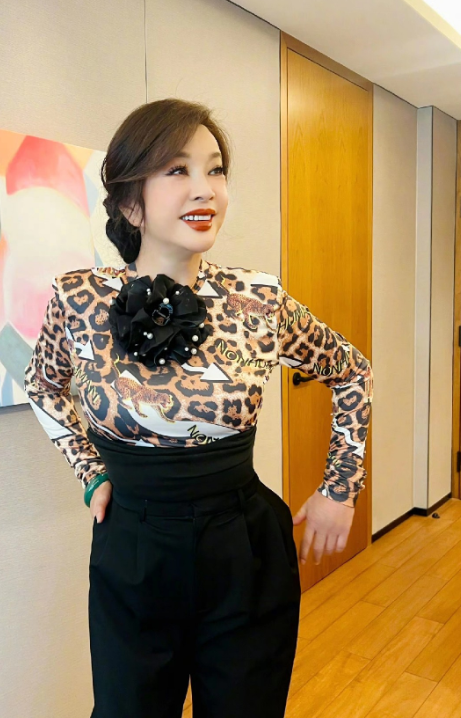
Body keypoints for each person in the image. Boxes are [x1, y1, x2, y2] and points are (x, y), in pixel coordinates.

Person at [23, 98, 373, 718]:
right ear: (131, 203)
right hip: (132, 546)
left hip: (244, 548)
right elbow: (43, 386)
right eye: (178, 170)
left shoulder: (258, 299)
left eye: (215, 170)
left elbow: (351, 371)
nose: (205, 188)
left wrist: (340, 488)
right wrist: (90, 473)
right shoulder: (78, 299)